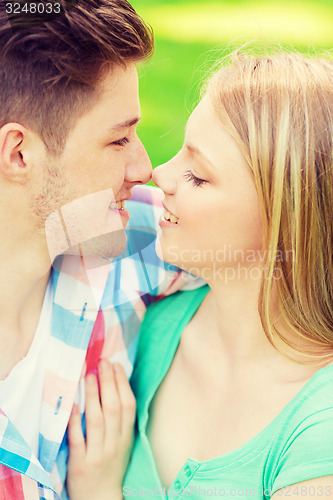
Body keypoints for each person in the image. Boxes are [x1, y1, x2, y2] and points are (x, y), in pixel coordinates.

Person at [70, 50, 333, 499]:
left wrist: (99, 493)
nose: (160, 175)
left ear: (284, 219)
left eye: (199, 176)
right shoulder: (145, 325)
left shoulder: (318, 429)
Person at [0, 1, 201, 499]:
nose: (144, 167)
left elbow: (287, 241)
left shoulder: (131, 238)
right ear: (19, 153)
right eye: (118, 141)